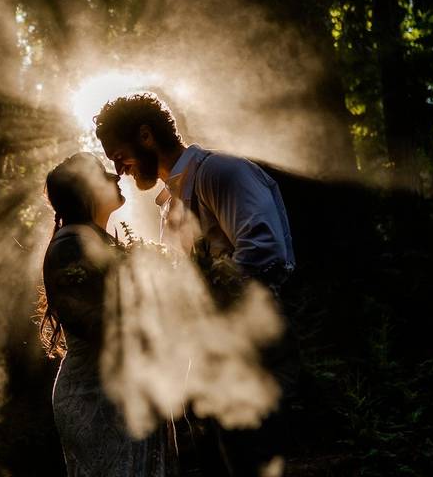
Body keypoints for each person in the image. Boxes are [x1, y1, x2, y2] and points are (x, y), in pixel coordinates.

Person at [94, 92, 298, 476]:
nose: (119, 169)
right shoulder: (169, 205)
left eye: (118, 155)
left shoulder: (222, 173)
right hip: (204, 356)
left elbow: (266, 251)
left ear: (145, 135)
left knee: (253, 461)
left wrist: (205, 297)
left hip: (249, 349)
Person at [39, 152, 175, 477]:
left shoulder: (97, 238)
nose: (116, 178)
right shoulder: (70, 245)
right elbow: (97, 325)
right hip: (96, 397)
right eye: (103, 174)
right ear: (87, 190)